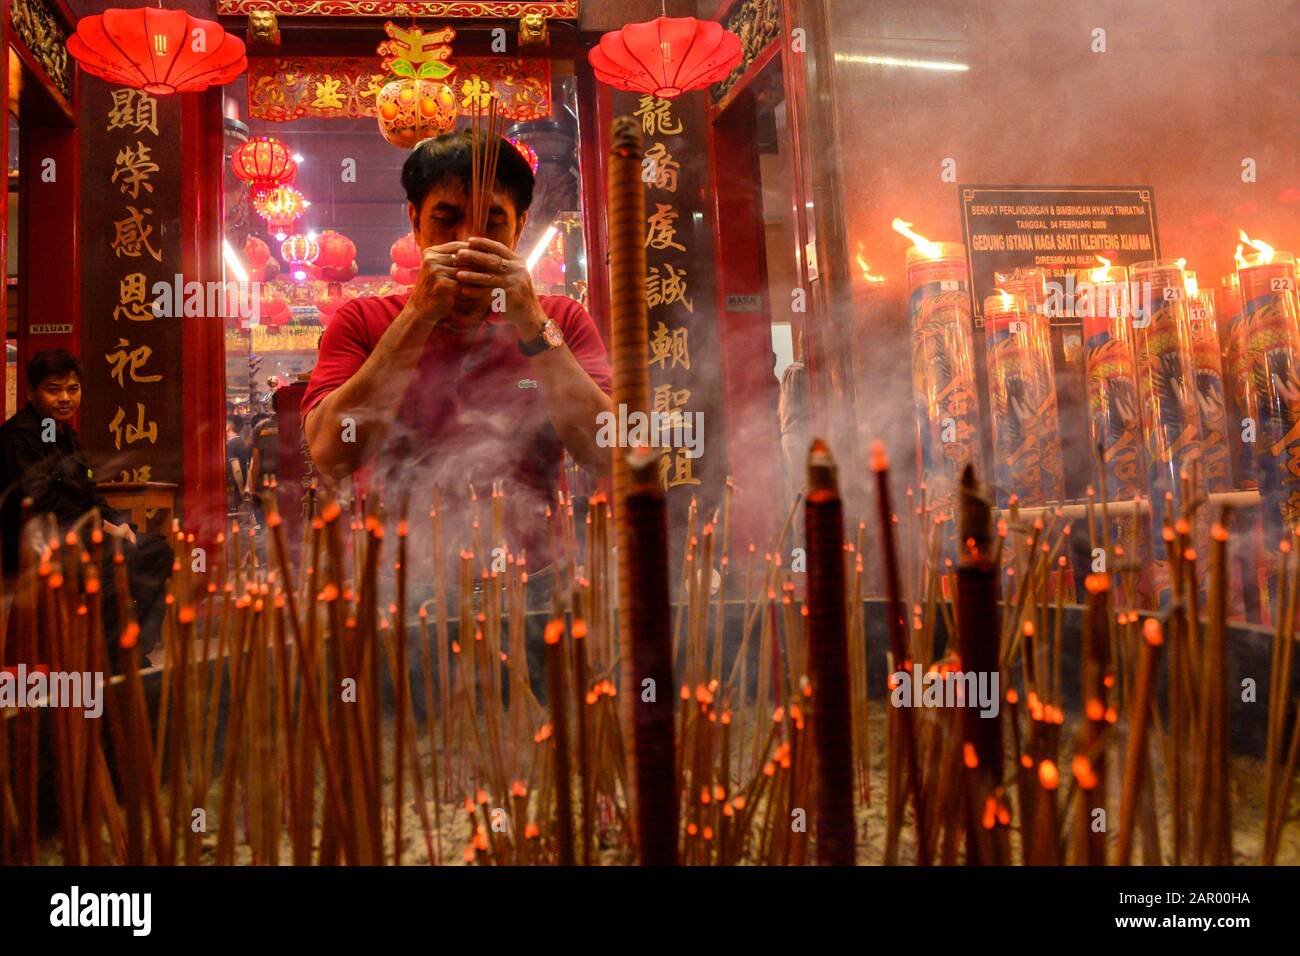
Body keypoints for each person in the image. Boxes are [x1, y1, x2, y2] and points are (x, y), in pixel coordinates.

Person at [302, 131, 614, 589]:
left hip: (536, 580)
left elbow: (606, 452)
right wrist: (418, 314)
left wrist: (531, 319)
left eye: (493, 222)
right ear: (415, 220)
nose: (469, 240)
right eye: (446, 219)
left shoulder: (560, 319)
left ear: (521, 225)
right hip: (396, 581)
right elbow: (331, 452)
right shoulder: (363, 321)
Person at [0, 350, 173, 667]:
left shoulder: (65, 435)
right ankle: (105, 656)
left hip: (80, 536)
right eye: (54, 390)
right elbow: (43, 504)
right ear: (31, 392)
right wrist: (107, 529)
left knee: (157, 552)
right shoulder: (18, 436)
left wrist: (121, 525)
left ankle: (131, 645)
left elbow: (88, 495)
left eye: (73, 389)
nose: (65, 398)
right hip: (41, 545)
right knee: (114, 560)